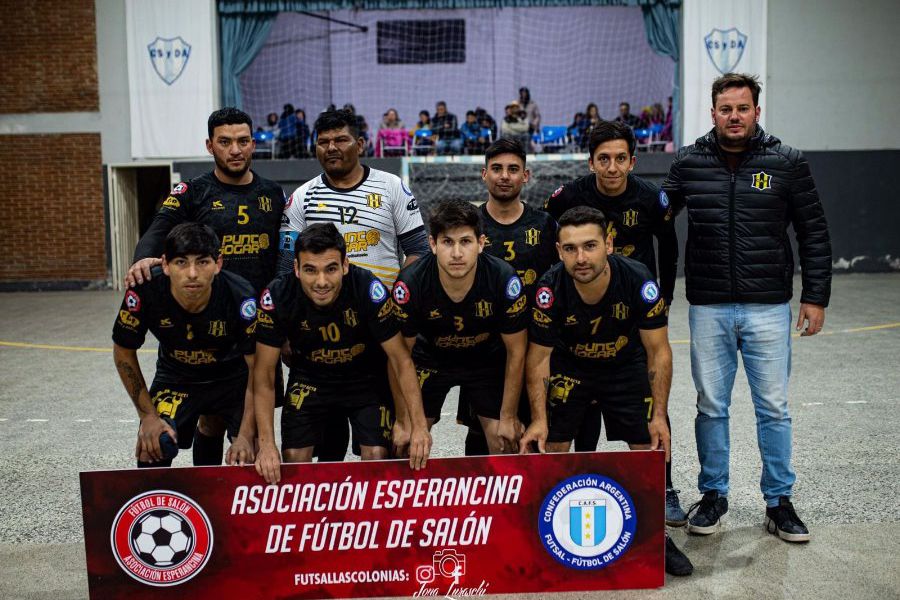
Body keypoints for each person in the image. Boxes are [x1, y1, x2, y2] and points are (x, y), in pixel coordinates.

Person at [662, 72, 831, 542]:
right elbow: (653, 216)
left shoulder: (787, 162)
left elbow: (814, 232)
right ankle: (714, 495)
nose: (734, 117)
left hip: (768, 306)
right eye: (725, 109)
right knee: (711, 406)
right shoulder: (689, 163)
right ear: (712, 113)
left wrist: (815, 296)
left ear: (757, 111)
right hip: (710, 305)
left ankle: (779, 502)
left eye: (742, 108)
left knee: (773, 408)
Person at [518, 206, 693, 576]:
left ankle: (656, 537)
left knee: (650, 447)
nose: (580, 258)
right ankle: (553, 536)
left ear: (609, 244)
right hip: (571, 367)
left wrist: (660, 415)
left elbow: (658, 351)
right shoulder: (549, 289)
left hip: (624, 366)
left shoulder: (638, 279)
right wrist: (537, 420)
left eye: (590, 246)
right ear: (558, 250)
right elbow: (538, 360)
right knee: (551, 448)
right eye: (570, 249)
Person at [543, 120, 685, 524]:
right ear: (591, 162)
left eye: (620, 158)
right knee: (580, 401)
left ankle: (666, 487)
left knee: (649, 395)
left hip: (631, 309)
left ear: (632, 161)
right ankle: (580, 481)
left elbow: (669, 249)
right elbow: (549, 242)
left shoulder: (651, 199)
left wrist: (666, 297)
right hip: (582, 304)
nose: (611, 167)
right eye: (603, 159)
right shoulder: (568, 197)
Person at [127, 107, 285, 467]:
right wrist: (143, 258)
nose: (235, 150)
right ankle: (206, 494)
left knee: (256, 435)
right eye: (225, 142)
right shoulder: (192, 191)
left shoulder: (274, 194)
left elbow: (283, 256)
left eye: (243, 141)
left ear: (253, 145)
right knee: (209, 420)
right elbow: (159, 227)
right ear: (210, 145)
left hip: (256, 324)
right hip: (206, 322)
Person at [280, 108, 429, 461]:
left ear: (360, 144)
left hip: (380, 332)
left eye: (341, 140)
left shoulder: (392, 187)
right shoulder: (302, 197)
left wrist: (393, 305)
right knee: (326, 447)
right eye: (323, 142)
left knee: (385, 444)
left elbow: (418, 252)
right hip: (320, 335)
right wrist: (287, 330)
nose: (332, 147)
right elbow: (287, 264)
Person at [253, 223, 431, 484]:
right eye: (310, 270)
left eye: (331, 269)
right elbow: (264, 374)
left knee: (377, 455)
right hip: (309, 379)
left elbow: (401, 360)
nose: (321, 281)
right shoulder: (277, 294)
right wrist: (267, 444)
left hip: (365, 378)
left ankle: (370, 523)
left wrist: (417, 426)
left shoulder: (368, 288)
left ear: (345, 265)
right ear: (296, 269)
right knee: (292, 457)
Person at [113, 223, 258, 469]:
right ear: (166, 265)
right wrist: (147, 416)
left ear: (218, 264)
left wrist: (245, 435)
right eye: (181, 262)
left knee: (248, 456)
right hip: (176, 376)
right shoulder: (145, 290)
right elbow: (123, 352)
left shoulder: (241, 297)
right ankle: (156, 506)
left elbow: (258, 370)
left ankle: (208, 493)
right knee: (152, 447)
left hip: (231, 378)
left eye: (202, 262)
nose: (192, 273)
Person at [392, 199, 529, 455]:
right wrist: (407, 421)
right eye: (447, 242)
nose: (456, 253)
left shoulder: (503, 278)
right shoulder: (410, 283)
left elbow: (517, 351)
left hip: (485, 359)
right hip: (429, 358)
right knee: (407, 443)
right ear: (432, 244)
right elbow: (399, 359)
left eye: (465, 241)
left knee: (507, 443)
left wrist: (509, 416)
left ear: (481, 243)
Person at [460, 138, 559, 455]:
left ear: (526, 176)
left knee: (533, 433)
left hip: (533, 348)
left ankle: (533, 501)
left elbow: (557, 286)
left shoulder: (545, 225)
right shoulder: (468, 225)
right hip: (482, 349)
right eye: (497, 168)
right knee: (482, 435)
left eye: (513, 169)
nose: (505, 175)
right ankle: (479, 502)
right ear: (483, 174)